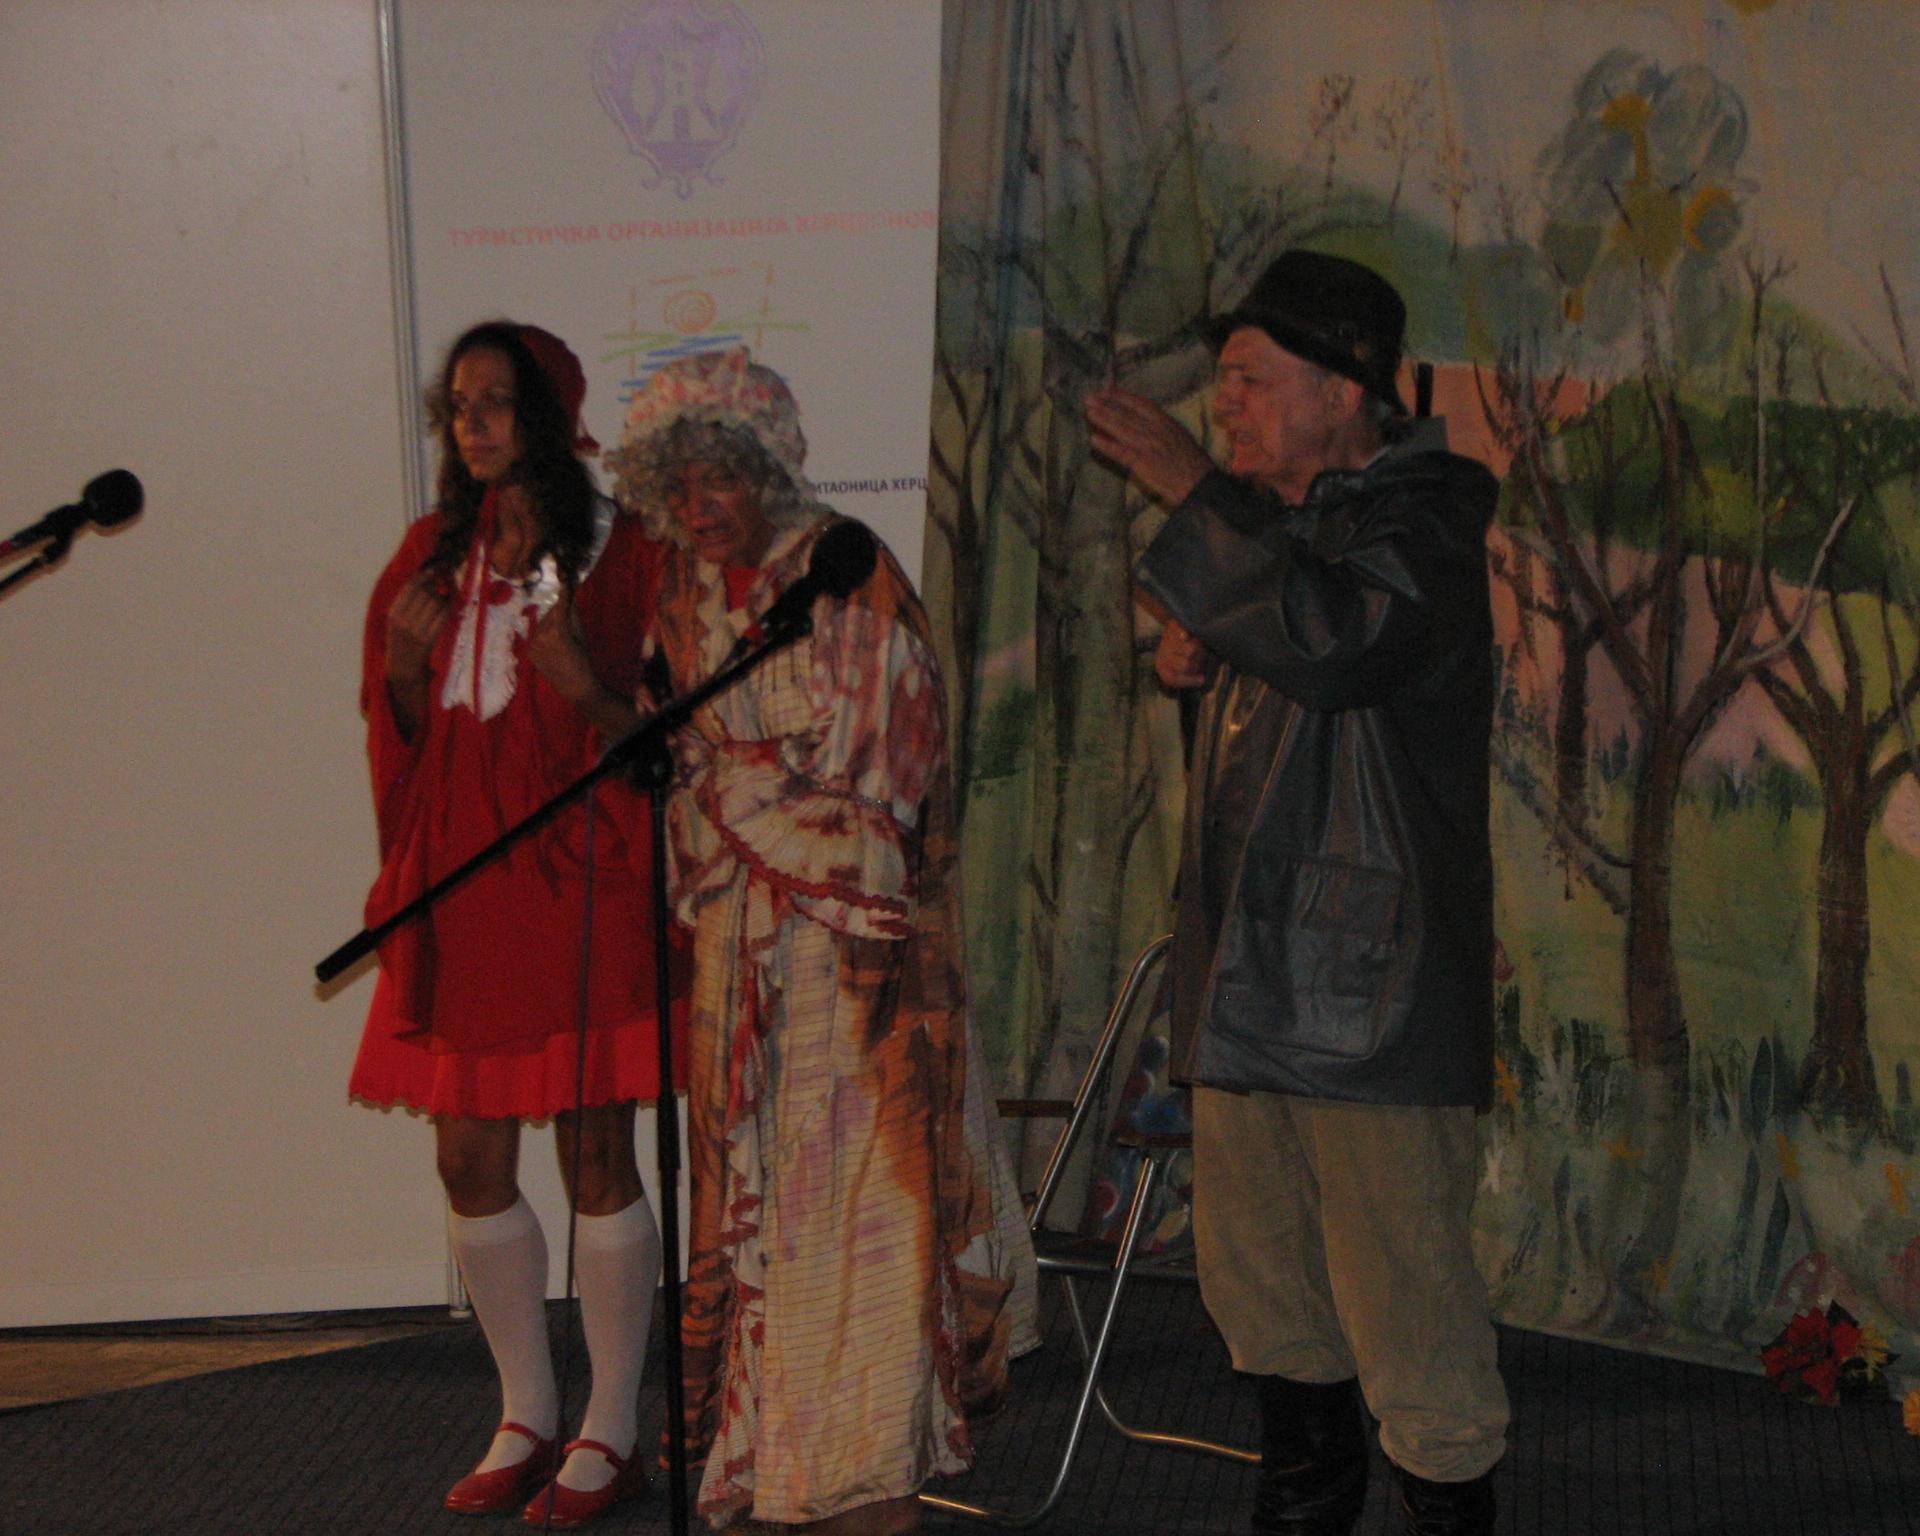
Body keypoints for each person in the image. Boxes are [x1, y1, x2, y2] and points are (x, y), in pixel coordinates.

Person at [1086, 251, 1510, 1536]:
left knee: (1406, 1302)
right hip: (1248, 974)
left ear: (1343, 390)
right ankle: (1302, 1503)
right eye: (1220, 382)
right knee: (1264, 1292)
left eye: (1251, 380)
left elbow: (1340, 645)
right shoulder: (1283, 531)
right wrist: (1197, 665)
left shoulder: (1422, 524)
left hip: (1369, 993)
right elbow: (1282, 735)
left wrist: (1195, 496)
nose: (1223, 405)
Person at [608, 347, 1035, 1535]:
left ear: (769, 466)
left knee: (852, 1226)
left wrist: (728, 784)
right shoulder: (681, 593)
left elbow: (883, 784)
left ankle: (862, 1478)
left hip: (851, 969)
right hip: (733, 957)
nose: (700, 505)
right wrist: (726, 787)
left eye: (720, 477)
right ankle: (771, 1465)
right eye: (677, 484)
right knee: (754, 1220)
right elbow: (670, 752)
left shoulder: (850, 574)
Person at [348, 320, 678, 1528]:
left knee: (596, 1158)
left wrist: (586, 687)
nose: (472, 423)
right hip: (464, 887)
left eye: (494, 400)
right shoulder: (427, 558)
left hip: (581, 880)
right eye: (458, 405)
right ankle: (526, 1410)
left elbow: (663, 736)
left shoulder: (624, 550)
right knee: (467, 1161)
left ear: (547, 412)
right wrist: (400, 671)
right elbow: (397, 729)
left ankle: (611, 1425)